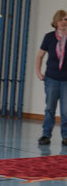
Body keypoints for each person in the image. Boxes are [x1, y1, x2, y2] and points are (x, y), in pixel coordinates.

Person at [36, 9, 67, 146]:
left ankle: (66, 136)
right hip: (51, 78)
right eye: (60, 19)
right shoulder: (49, 37)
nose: (63, 22)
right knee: (50, 108)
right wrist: (38, 72)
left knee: (66, 110)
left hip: (66, 80)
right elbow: (40, 56)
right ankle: (46, 135)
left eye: (66, 19)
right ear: (55, 22)